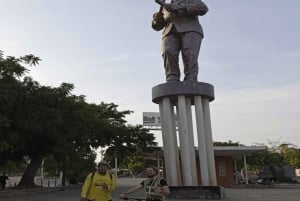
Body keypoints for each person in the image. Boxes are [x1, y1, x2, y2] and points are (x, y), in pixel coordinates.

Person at [152, 0, 209, 83]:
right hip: (170, 31)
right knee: (168, 51)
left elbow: (203, 8)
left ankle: (190, 79)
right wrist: (157, 19)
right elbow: (157, 26)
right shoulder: (165, 6)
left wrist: (177, 7)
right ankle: (172, 78)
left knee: (189, 55)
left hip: (190, 29)